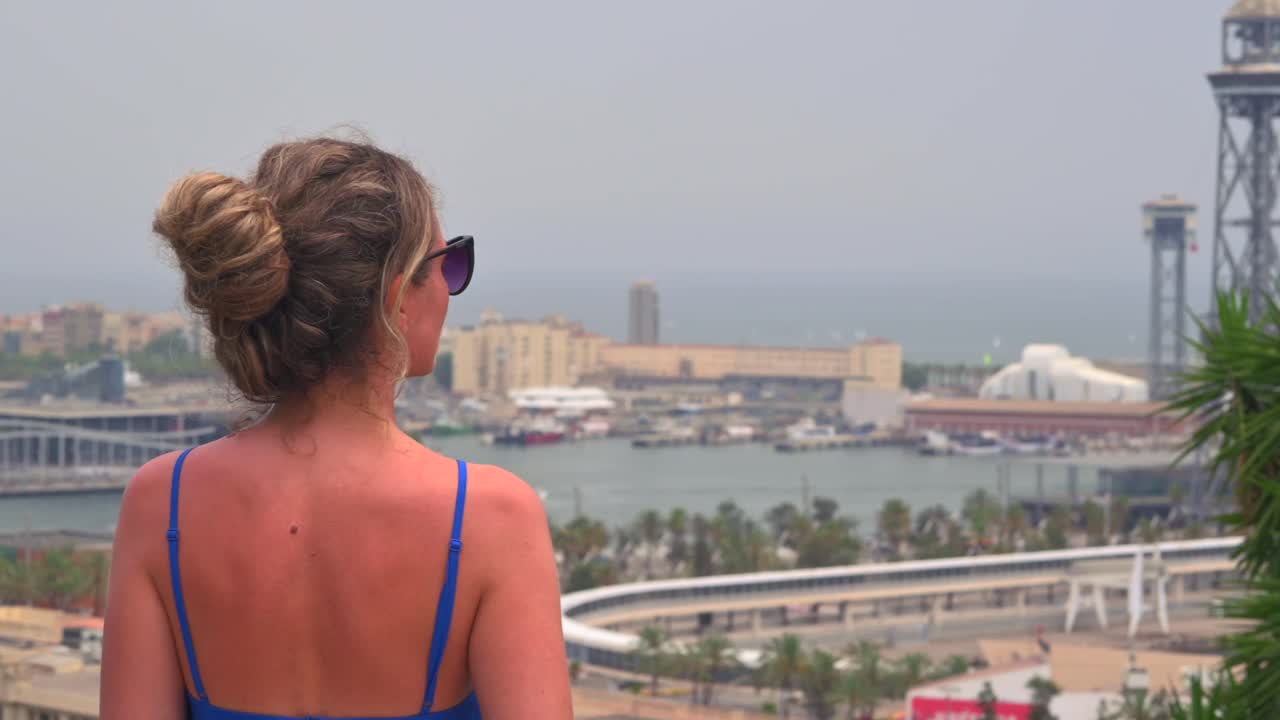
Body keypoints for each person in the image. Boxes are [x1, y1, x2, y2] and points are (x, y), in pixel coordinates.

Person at [101, 138, 571, 720]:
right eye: (447, 264)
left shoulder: (161, 502)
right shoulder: (490, 517)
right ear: (398, 298)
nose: (450, 287)